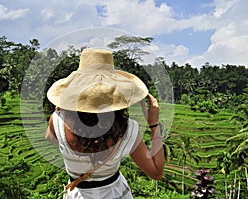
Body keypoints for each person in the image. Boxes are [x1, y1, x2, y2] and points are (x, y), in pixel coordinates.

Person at [45, 48, 164, 198]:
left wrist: (62, 109)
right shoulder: (127, 128)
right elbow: (156, 172)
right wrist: (154, 125)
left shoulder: (57, 120)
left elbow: (50, 138)